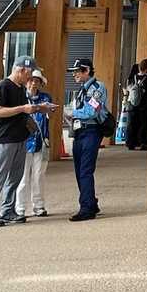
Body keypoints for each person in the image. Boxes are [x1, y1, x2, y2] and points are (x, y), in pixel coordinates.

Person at [0, 56, 49, 227]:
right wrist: (23, 108)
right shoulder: (4, 86)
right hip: (6, 138)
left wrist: (38, 108)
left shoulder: (20, 88)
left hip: (20, 137)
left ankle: (7, 210)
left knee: (15, 177)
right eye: (29, 73)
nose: (30, 78)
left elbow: (22, 112)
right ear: (21, 70)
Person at [66, 57, 110, 222]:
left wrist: (71, 113)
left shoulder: (97, 88)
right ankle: (90, 202)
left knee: (85, 170)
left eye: (77, 71)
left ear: (87, 71)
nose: (74, 75)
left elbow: (91, 112)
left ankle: (86, 208)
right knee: (79, 170)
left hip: (91, 131)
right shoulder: (81, 90)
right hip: (79, 132)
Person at [16, 68, 55, 218]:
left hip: (42, 141)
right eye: (31, 80)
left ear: (40, 83)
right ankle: (20, 208)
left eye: (37, 81)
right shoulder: (20, 97)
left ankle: (39, 206)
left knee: (39, 176)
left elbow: (51, 113)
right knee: (22, 177)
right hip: (24, 141)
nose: (33, 83)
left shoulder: (45, 97)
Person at [126, 58, 147, 150]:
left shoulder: (133, 77)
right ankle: (143, 142)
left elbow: (128, 88)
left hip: (133, 105)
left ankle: (130, 143)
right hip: (144, 106)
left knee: (132, 124)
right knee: (144, 125)